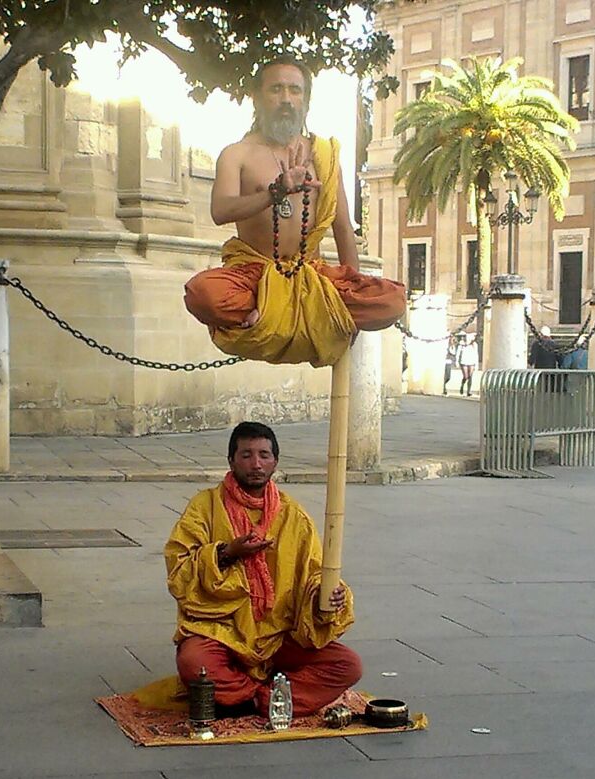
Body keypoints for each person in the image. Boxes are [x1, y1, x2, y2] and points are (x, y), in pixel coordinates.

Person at [183, 57, 406, 366]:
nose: (286, 99)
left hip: (310, 276)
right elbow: (221, 210)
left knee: (392, 301)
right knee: (201, 293)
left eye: (294, 90)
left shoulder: (323, 155)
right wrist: (275, 193)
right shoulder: (237, 154)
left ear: (306, 99)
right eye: (276, 89)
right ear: (258, 98)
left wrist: (348, 292)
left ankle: (269, 314)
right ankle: (266, 306)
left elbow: (343, 229)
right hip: (255, 273)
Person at [164, 421, 362, 718]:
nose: (256, 464)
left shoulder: (294, 515)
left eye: (264, 455)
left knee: (347, 665)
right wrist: (227, 552)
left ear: (275, 462)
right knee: (194, 661)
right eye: (246, 455)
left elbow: (315, 573)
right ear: (231, 460)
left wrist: (328, 596)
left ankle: (252, 700)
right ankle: (270, 697)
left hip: (278, 634)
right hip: (222, 629)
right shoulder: (204, 506)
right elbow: (179, 570)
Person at [456, 332, 478, 397]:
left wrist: (476, 364)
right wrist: (457, 361)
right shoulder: (461, 344)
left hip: (472, 361)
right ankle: (462, 385)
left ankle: (469, 391)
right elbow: (458, 353)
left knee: (470, 376)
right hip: (464, 361)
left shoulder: (474, 344)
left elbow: (476, 354)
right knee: (466, 376)